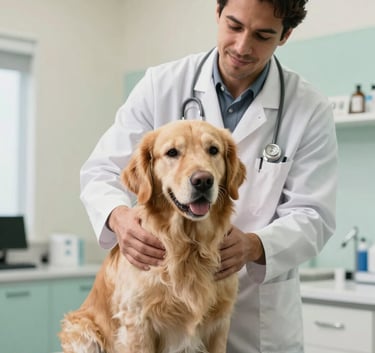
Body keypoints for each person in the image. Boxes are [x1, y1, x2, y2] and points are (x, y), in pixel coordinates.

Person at [80, 0, 337, 352]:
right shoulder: (162, 85)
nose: (243, 47)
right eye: (234, 26)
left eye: (263, 35)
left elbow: (314, 215)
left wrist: (254, 245)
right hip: (163, 302)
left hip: (254, 313)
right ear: (217, 14)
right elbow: (102, 169)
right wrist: (119, 218)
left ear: (285, 35)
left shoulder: (309, 108)